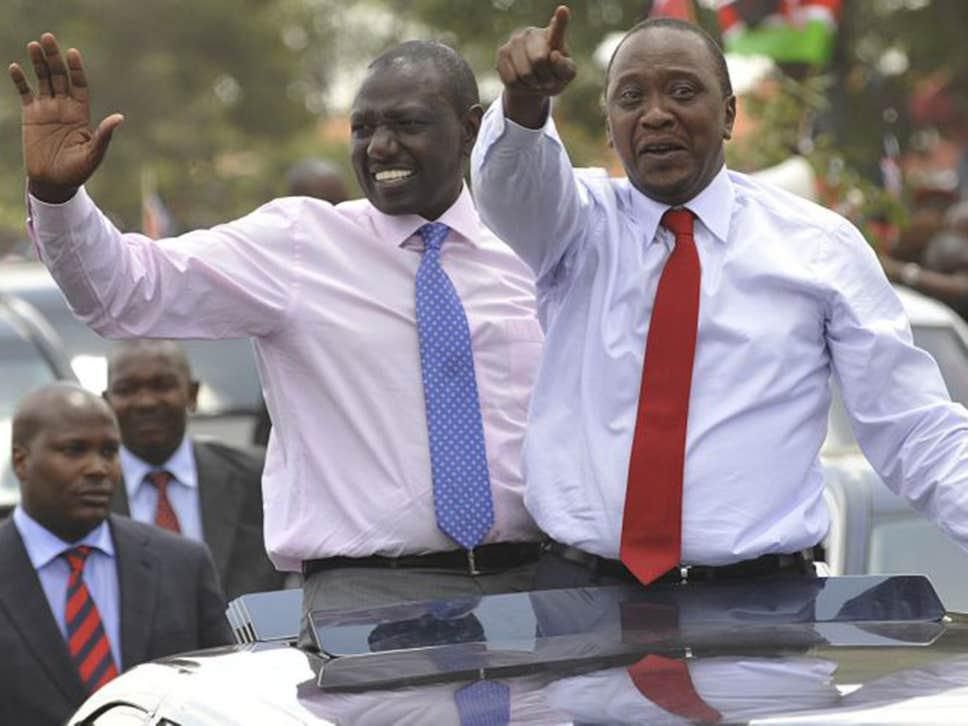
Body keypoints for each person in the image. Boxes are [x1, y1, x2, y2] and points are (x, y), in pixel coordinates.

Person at [10, 35, 544, 617]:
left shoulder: (535, 245)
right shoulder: (298, 244)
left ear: (468, 130)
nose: (381, 147)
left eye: (407, 124)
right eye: (363, 129)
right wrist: (58, 196)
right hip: (370, 603)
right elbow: (123, 292)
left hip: (539, 587)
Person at [471, 7, 968, 588]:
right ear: (609, 126)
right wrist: (526, 106)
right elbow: (511, 188)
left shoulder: (820, 247)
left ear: (729, 114)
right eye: (630, 98)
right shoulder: (572, 226)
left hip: (765, 608)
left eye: (683, 92)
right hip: (580, 600)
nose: (656, 115)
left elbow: (912, 428)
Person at [0, 383, 231, 726]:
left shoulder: (182, 564)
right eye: (74, 450)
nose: (98, 469)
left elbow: (221, 698)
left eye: (109, 451)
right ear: (21, 461)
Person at [104, 339, 284, 600]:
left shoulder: (258, 480)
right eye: (127, 389)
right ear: (107, 402)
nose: (145, 402)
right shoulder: (85, 495)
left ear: (192, 394)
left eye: (162, 385)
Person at [252, 157, 351, 446]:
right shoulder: (271, 279)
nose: (330, 217)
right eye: (317, 206)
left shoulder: (375, 267)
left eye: (337, 205)